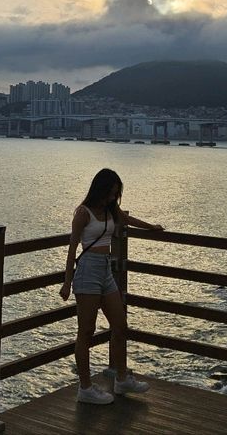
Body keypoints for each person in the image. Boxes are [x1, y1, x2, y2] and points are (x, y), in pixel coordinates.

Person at [59, 168, 164, 404]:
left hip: (106, 270)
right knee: (86, 331)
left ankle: (122, 379)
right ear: (100, 189)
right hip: (87, 271)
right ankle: (85, 388)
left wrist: (151, 227)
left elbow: (128, 220)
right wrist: (67, 282)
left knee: (120, 325)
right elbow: (72, 248)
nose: (113, 198)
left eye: (116, 194)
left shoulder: (111, 210)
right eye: (110, 193)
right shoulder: (83, 213)